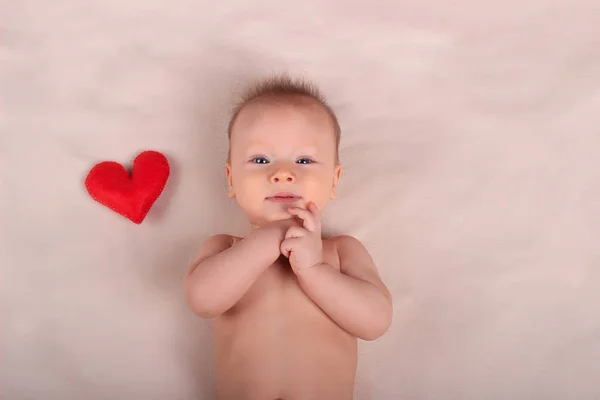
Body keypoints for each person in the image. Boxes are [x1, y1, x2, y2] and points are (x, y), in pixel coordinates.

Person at [184, 75, 393, 400]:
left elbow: (375, 321)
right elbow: (202, 300)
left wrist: (314, 271)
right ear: (231, 179)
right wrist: (266, 241)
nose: (282, 173)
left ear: (334, 181)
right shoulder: (225, 248)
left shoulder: (341, 252)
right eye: (260, 160)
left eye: (304, 160)